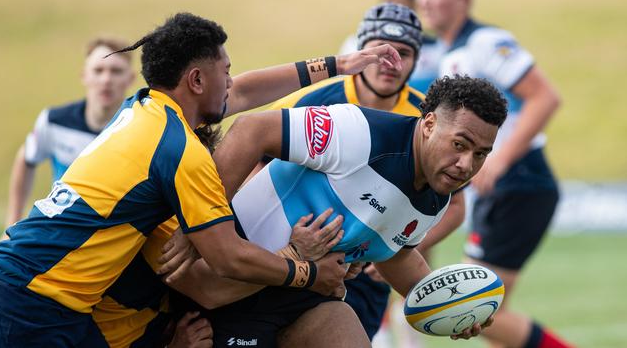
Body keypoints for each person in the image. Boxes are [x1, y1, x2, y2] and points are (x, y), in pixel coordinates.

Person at [0, 12, 401, 347]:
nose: (233, 81)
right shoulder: (178, 151)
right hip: (30, 299)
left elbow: (245, 93)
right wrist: (304, 268)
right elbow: (226, 262)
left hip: (24, 292)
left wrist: (336, 65)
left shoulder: (142, 109)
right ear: (197, 80)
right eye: (226, 70)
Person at [161, 74, 507, 347]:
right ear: (429, 124)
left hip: (307, 295)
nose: (466, 165)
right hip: (233, 283)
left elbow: (395, 252)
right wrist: (203, 224)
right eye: (459, 145)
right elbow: (251, 130)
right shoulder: (359, 133)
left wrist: (454, 308)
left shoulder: (436, 194)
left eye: (481, 154)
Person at [262, 2, 467, 341]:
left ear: (417, 61)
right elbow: (256, 154)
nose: (391, 63)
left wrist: (389, 250)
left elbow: (456, 207)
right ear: (360, 51)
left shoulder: (429, 118)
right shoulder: (315, 101)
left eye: (404, 53)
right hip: (300, 257)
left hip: (366, 276)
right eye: (380, 52)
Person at [413, 0, 571, 347]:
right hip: (499, 187)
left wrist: (498, 161)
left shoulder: (485, 41)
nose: (425, 0)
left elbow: (544, 98)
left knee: (480, 309)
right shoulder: (450, 52)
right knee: (484, 310)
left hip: (521, 182)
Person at [4, 37, 136, 226]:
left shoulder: (139, 129)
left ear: (130, 78)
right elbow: (26, 157)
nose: (106, 79)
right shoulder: (54, 121)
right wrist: (12, 221)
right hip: (61, 230)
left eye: (116, 71)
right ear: (84, 76)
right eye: (98, 70)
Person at [339, 0, 417, 55]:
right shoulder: (354, 43)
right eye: (391, 8)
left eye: (405, 10)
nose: (397, 16)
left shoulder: (426, 47)